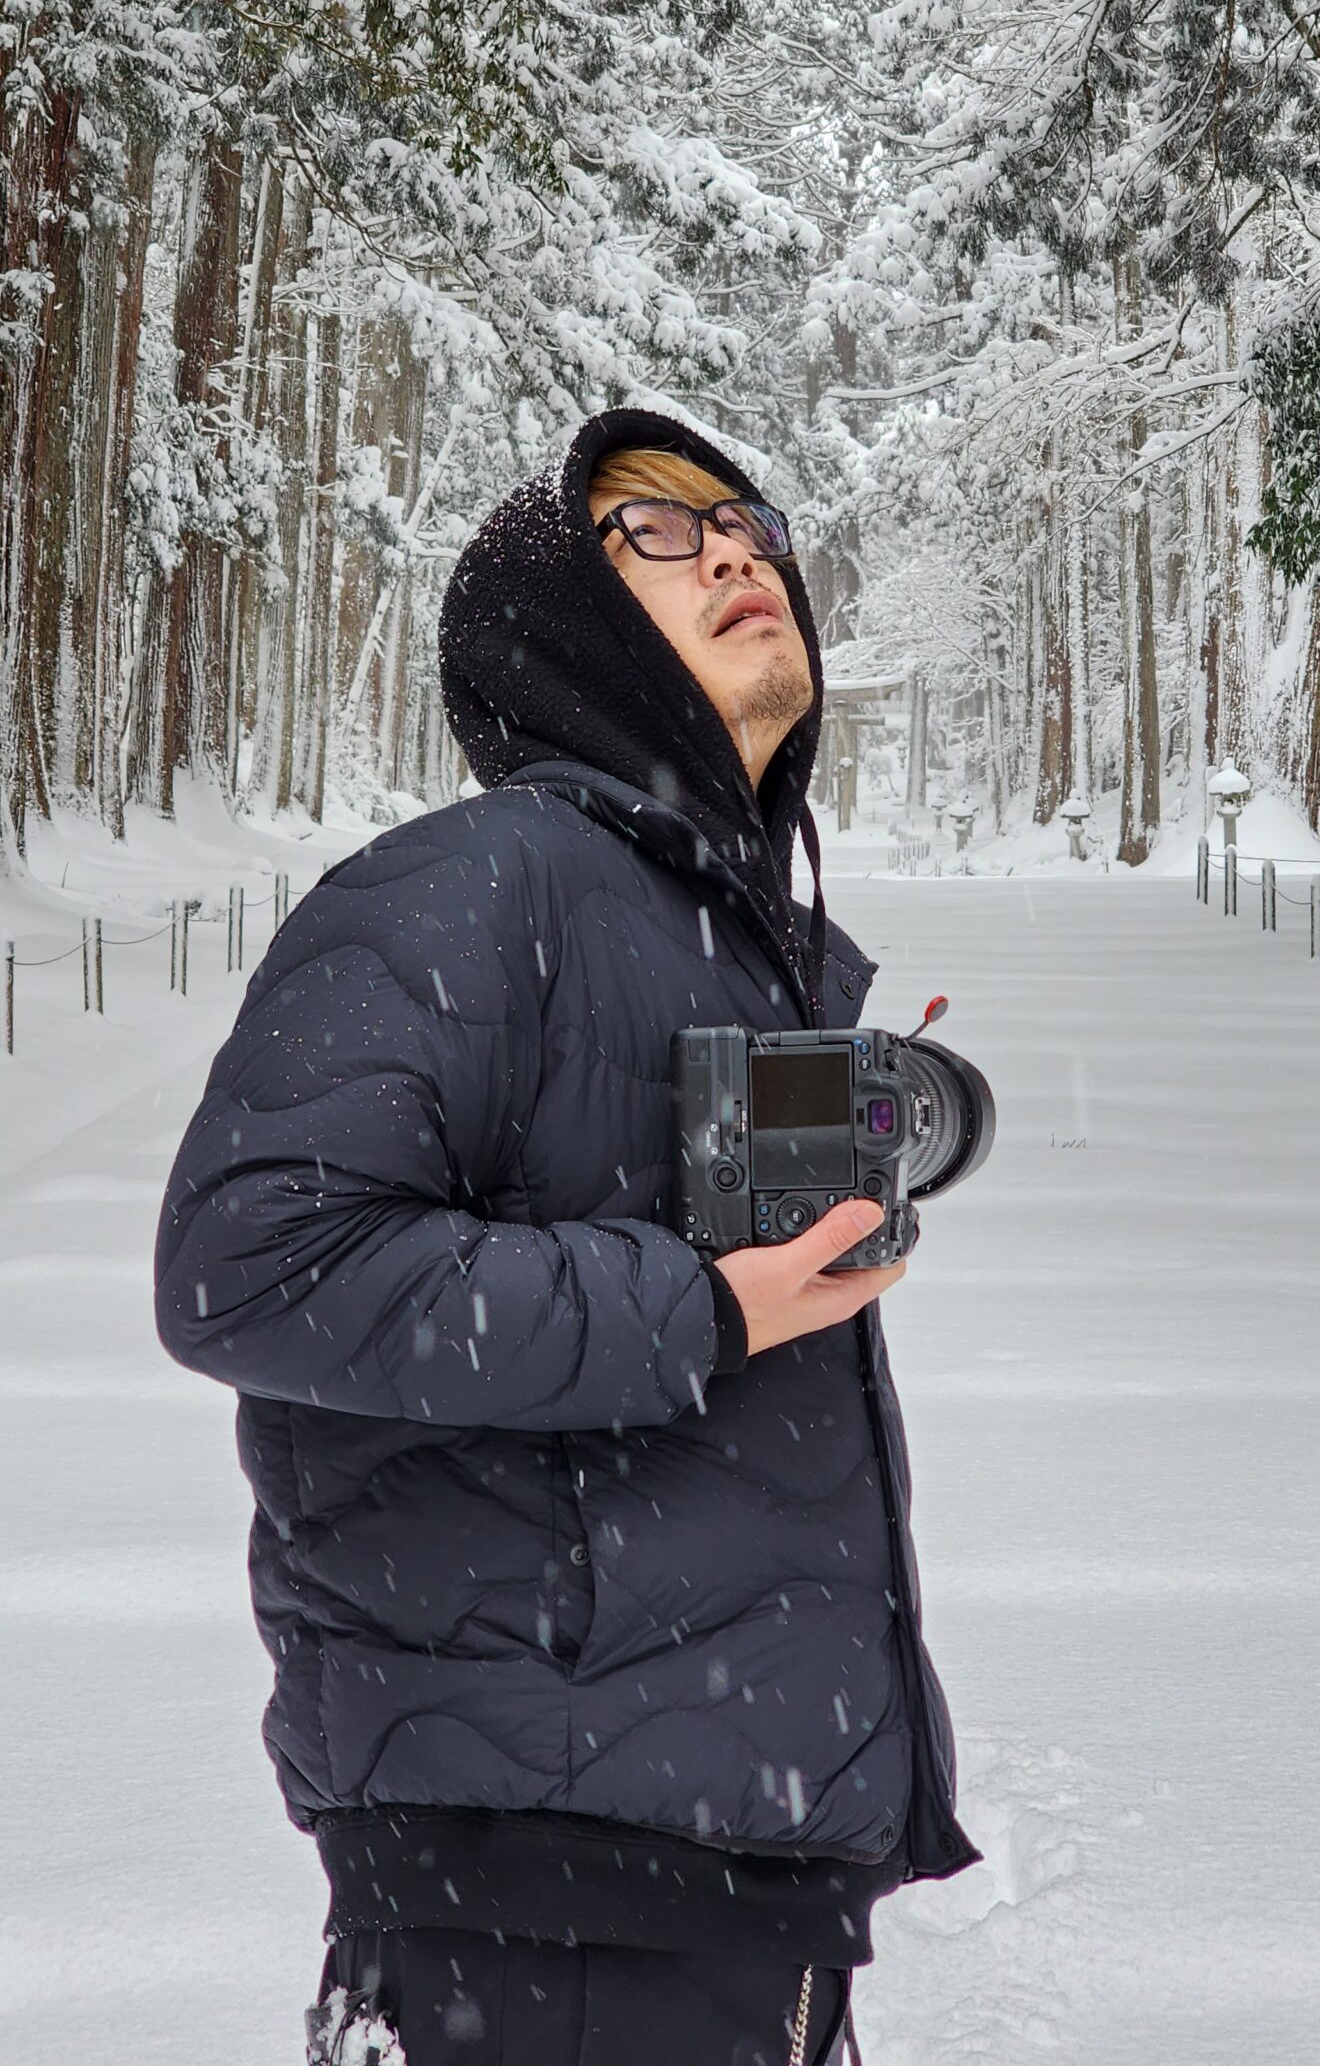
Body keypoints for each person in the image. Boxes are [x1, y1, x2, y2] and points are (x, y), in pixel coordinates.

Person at [155, 408, 976, 2066]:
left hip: (720, 1878)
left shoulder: (712, 930)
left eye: (744, 520)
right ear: (564, 625)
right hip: (546, 1909)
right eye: (659, 535)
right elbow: (249, 1263)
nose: (739, 551)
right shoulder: (473, 881)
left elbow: (618, 1205)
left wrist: (872, 1124)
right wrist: (697, 1309)